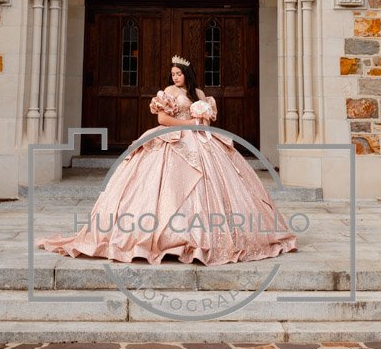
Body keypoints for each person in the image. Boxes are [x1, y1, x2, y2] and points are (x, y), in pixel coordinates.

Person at [37, 54, 298, 265]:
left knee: (217, 181)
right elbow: (162, 120)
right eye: (172, 73)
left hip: (201, 140)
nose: (175, 77)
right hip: (173, 137)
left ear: (188, 73)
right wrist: (188, 122)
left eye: (179, 73)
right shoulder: (168, 93)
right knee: (163, 184)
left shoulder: (199, 93)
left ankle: (204, 236)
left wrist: (202, 119)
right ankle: (161, 236)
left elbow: (206, 118)